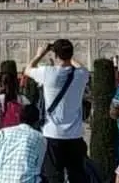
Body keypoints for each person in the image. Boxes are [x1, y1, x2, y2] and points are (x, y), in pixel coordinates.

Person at [25, 40, 90, 183]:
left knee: (53, 175)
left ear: (55, 55)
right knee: (77, 176)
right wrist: (69, 57)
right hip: (75, 134)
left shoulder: (48, 73)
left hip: (52, 133)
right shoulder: (81, 74)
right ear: (71, 54)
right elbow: (82, 68)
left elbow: (28, 69)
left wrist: (40, 54)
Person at [0, 104, 46, 183]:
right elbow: (38, 166)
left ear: (19, 118)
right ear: (37, 122)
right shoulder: (41, 138)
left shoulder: (3, 132)